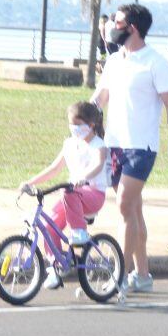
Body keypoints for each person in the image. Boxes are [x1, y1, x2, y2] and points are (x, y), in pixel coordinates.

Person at [91, 3, 168, 294]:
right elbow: (101, 97)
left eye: (116, 22)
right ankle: (142, 276)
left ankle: (118, 275)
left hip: (141, 147)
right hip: (114, 145)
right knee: (134, 210)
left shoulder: (155, 63)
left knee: (123, 206)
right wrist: (83, 120)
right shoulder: (115, 61)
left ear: (131, 28)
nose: (111, 27)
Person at [19, 101, 109, 290]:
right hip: (72, 195)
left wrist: (84, 178)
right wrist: (30, 182)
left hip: (93, 194)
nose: (74, 129)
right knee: (48, 225)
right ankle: (56, 267)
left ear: (91, 125)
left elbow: (99, 165)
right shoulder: (69, 144)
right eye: (71, 125)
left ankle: (79, 232)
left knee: (67, 191)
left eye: (78, 125)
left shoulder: (98, 145)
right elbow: (54, 168)